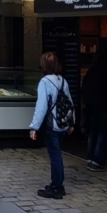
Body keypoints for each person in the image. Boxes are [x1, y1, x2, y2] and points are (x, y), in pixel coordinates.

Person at [29, 52, 74, 199]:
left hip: (51, 124)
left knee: (55, 156)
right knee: (57, 153)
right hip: (61, 123)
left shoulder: (45, 82)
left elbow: (41, 106)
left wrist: (34, 126)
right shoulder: (62, 80)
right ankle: (57, 185)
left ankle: (56, 186)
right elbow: (69, 103)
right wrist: (70, 123)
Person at [81, 49, 107, 172]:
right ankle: (97, 161)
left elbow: (84, 88)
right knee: (102, 133)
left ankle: (90, 158)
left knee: (93, 132)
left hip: (91, 106)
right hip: (104, 105)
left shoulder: (91, 71)